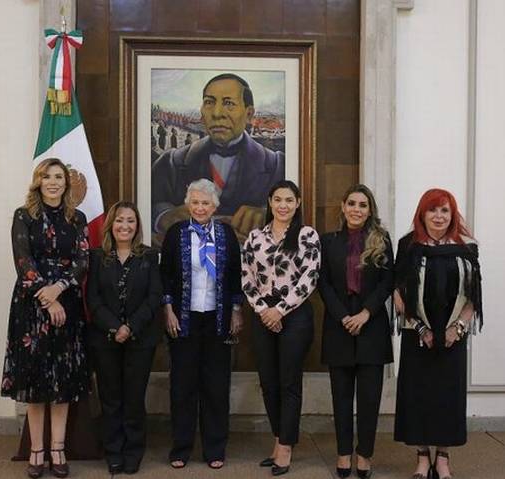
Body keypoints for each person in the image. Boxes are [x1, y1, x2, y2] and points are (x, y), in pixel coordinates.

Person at [0, 157, 90, 479]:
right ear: (38, 182)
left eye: (58, 177)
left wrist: (58, 289)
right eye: (47, 177)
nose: (53, 182)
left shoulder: (77, 218)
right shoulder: (23, 216)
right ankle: (36, 451)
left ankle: (58, 449)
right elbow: (22, 260)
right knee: (36, 381)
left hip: (67, 302)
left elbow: (82, 261)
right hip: (31, 306)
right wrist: (46, 296)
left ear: (66, 183)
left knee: (62, 380)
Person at [392, 189, 483, 479]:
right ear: (422, 213)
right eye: (432, 210)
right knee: (417, 396)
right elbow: (398, 291)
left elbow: (474, 295)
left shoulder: (467, 246)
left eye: (445, 210)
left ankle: (443, 458)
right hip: (416, 332)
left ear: (452, 215)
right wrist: (421, 327)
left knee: (447, 397)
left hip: (452, 335)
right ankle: (422, 457)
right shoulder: (408, 245)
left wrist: (457, 328)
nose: (439, 216)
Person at [160, 179, 244, 470]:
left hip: (217, 319)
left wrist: (236, 310)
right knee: (182, 386)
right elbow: (165, 275)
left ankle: (215, 448)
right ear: (188, 204)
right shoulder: (176, 233)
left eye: (205, 203)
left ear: (215, 206)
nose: (199, 208)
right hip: (184, 319)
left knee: (216, 387)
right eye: (195, 202)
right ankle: (181, 448)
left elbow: (235, 275)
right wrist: (168, 310)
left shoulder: (226, 234)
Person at [241, 180, 321, 476]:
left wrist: (281, 309)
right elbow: (246, 277)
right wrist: (264, 310)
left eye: (289, 200)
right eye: (278, 199)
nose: (283, 205)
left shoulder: (307, 235)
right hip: (263, 315)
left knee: (289, 382)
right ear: (270, 202)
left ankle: (286, 446)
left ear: (297, 203)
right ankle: (278, 438)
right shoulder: (255, 237)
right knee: (268, 381)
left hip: (295, 315)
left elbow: (309, 278)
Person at [151, 73, 285, 243]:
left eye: (229, 103)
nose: (217, 113)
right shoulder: (171, 163)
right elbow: (151, 202)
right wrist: (164, 216)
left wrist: (270, 214)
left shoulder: (277, 166)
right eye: (209, 102)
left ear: (249, 114)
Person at [318, 185, 394, 479]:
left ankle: (364, 455)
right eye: (352, 203)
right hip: (338, 325)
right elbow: (323, 283)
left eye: (363, 205)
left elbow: (388, 282)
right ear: (343, 206)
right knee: (341, 398)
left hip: (371, 325)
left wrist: (365, 313)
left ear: (369, 210)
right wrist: (343, 316)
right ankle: (343, 453)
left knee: (369, 399)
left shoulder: (381, 240)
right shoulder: (328, 241)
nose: (357, 209)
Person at [86, 201, 162, 475]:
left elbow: (154, 297)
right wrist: (114, 327)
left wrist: (130, 327)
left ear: (137, 225)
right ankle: (113, 451)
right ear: (111, 224)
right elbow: (93, 299)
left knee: (133, 397)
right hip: (104, 339)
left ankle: (133, 451)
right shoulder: (97, 257)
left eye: (130, 220)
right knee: (110, 397)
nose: (125, 226)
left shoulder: (149, 256)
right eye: (119, 220)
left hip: (140, 338)